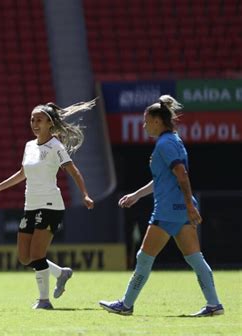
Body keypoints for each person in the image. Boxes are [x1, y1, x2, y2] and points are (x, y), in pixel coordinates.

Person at [99, 95, 224, 317]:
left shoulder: (165, 144)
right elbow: (163, 179)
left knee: (144, 258)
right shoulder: (174, 140)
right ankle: (214, 304)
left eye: (146, 120)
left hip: (167, 211)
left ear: (158, 120)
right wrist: (137, 195)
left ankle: (126, 304)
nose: (144, 124)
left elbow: (181, 174)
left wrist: (188, 204)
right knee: (196, 259)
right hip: (180, 211)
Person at [0, 100, 96, 309]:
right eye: (32, 119)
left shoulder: (56, 146)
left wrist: (85, 195)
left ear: (50, 123)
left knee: (37, 255)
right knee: (25, 258)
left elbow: (73, 171)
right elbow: (23, 173)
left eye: (39, 119)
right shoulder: (29, 146)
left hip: (50, 205)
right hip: (30, 205)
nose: (34, 123)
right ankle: (61, 273)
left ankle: (44, 300)